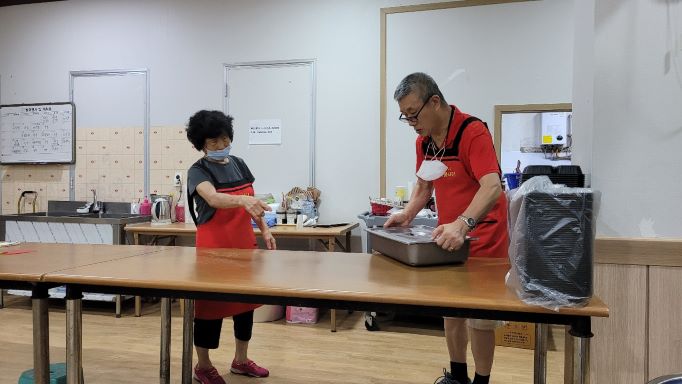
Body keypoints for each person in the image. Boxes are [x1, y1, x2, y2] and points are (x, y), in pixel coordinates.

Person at [384, 73, 509, 384]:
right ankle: (457, 377)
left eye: (414, 113)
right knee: (450, 310)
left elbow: (492, 186)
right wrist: (407, 213)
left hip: (483, 236)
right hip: (448, 236)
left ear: (435, 102)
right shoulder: (423, 141)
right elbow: (425, 186)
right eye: (405, 116)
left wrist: (464, 223)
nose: (411, 122)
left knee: (480, 318)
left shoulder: (472, 131)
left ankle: (481, 381)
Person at [186, 110, 276, 384]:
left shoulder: (239, 163)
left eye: (224, 139)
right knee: (209, 309)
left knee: (244, 306)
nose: (220, 145)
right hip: (213, 250)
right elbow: (212, 198)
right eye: (213, 142)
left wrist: (264, 228)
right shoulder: (197, 171)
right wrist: (241, 203)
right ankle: (202, 365)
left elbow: (252, 200)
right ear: (202, 143)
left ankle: (241, 360)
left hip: (243, 247)